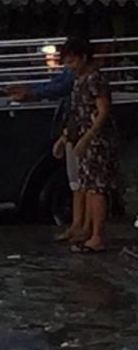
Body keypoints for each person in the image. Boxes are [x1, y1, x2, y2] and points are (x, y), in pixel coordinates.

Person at [54, 37, 120, 253]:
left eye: (72, 61)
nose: (70, 67)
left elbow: (103, 111)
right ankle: (87, 230)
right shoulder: (79, 82)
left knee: (96, 188)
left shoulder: (95, 80)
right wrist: (65, 138)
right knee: (87, 186)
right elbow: (76, 114)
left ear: (83, 58)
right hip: (83, 139)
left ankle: (97, 235)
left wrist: (88, 137)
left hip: (96, 142)